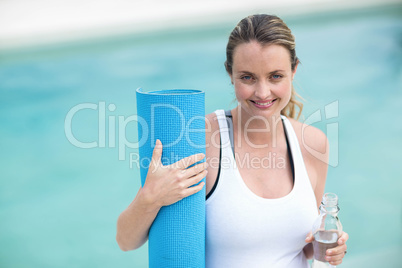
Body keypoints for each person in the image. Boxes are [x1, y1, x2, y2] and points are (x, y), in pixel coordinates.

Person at [116, 14, 349, 267]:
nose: (262, 92)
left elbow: (302, 248)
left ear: (293, 70)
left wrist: (325, 248)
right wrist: (150, 198)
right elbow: (125, 241)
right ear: (230, 73)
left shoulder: (313, 144)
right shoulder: (201, 138)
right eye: (247, 77)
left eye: (275, 76)